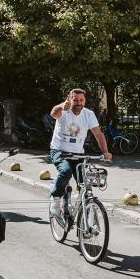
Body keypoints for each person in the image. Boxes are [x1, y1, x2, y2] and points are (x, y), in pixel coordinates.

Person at [48, 88, 111, 217]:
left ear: (85, 101)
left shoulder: (89, 114)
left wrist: (106, 151)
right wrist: (61, 106)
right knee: (66, 172)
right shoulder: (63, 111)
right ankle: (55, 198)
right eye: (75, 100)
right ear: (69, 99)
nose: (78, 103)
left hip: (78, 154)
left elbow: (98, 134)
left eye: (81, 100)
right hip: (59, 150)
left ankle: (83, 210)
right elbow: (53, 114)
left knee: (85, 182)